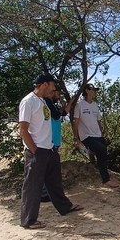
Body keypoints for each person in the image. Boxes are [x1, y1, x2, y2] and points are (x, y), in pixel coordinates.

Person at [19, 74, 83, 230]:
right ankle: (29, 220)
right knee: (33, 186)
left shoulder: (43, 102)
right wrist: (34, 151)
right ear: (45, 84)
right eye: (53, 86)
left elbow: (55, 117)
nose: (54, 90)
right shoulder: (28, 101)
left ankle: (65, 207)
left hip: (49, 148)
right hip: (37, 150)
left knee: (55, 182)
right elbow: (23, 130)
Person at [72, 83, 118, 188]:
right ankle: (106, 180)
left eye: (95, 90)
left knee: (103, 152)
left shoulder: (95, 105)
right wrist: (76, 137)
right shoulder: (80, 105)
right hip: (86, 136)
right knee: (101, 150)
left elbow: (98, 121)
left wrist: (102, 133)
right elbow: (76, 122)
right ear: (87, 91)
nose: (95, 92)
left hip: (98, 135)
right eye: (93, 90)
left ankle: (88, 153)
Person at [41, 88, 68, 202]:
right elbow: (57, 115)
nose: (59, 96)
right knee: (47, 169)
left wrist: (65, 103)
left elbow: (64, 113)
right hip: (50, 141)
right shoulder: (47, 102)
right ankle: (43, 194)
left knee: (50, 169)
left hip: (54, 141)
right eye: (58, 93)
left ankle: (47, 193)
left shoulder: (52, 104)